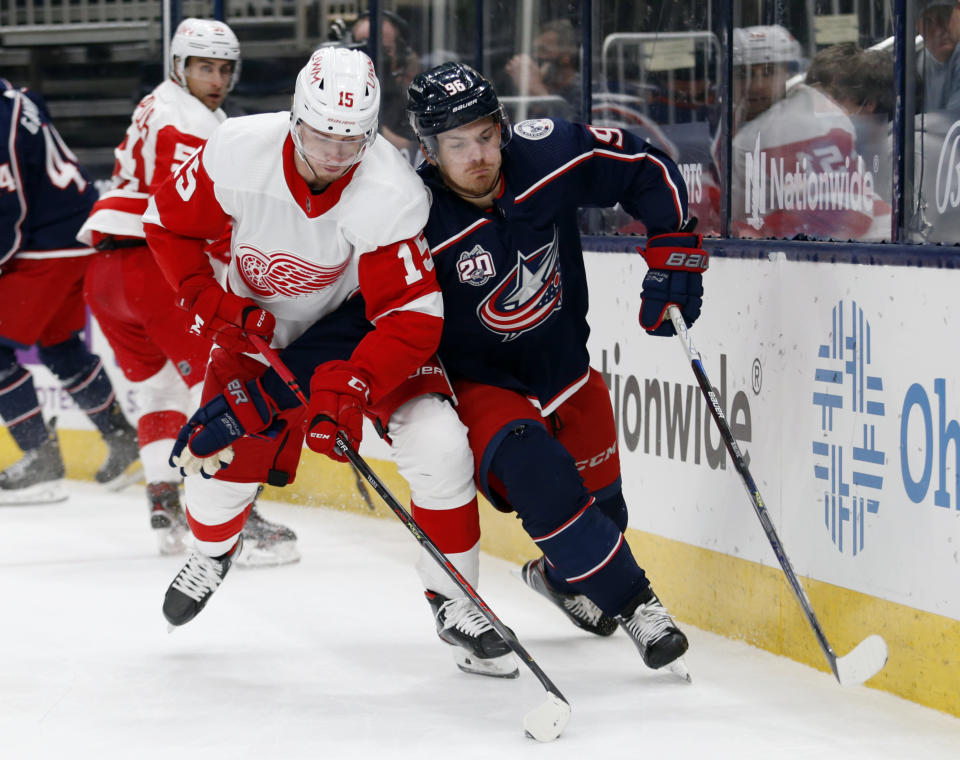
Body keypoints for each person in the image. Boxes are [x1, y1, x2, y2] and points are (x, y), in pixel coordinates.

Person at [143, 47, 516, 678]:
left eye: (352, 143)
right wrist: (210, 301)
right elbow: (166, 224)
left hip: (362, 340)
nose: (334, 157)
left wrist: (354, 383)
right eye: (322, 137)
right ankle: (213, 551)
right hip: (256, 334)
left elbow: (412, 317)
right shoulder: (236, 149)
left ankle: (457, 602)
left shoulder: (390, 191)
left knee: (440, 444)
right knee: (217, 476)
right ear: (295, 118)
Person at [406, 62, 698, 675]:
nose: (477, 155)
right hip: (482, 383)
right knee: (540, 475)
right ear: (429, 151)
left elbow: (647, 169)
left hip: (565, 368)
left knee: (603, 517)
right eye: (456, 144)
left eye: (485, 135)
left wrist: (674, 251)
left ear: (502, 126)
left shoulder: (548, 154)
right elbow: (369, 312)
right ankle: (638, 605)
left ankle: (562, 580)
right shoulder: (411, 217)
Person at [77, 18, 299, 564]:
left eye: (225, 68)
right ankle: (234, 518)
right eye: (205, 67)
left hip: (105, 275)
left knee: (160, 394)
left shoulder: (158, 103)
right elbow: (187, 213)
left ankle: (164, 503)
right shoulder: (192, 124)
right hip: (150, 268)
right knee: (221, 384)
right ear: (180, 66)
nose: (217, 78)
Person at [0, 77, 140, 505]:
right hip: (76, 232)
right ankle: (122, 439)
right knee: (59, 345)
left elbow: (11, 207)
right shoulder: (15, 97)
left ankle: (40, 458)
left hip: (47, 245)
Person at [731, 43, 893, 241]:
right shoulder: (757, 137)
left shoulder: (868, 147)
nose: (823, 107)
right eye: (815, 98)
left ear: (868, 104)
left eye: (833, 98)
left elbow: (841, 217)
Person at [349, 9, 422, 163]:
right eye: (362, 48)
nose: (372, 59)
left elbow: (412, 150)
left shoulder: (409, 100)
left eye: (385, 51)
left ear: (400, 57)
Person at [731, 25, 804, 133]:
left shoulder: (807, 128)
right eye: (743, 75)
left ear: (789, 75)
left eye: (769, 72)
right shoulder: (715, 129)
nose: (756, 87)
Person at [503, 19, 581, 120]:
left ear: (566, 56)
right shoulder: (546, 88)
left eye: (543, 50)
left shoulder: (587, 91)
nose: (536, 57)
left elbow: (576, 131)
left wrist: (540, 94)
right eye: (534, 51)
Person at [917, 0, 960, 112]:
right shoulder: (920, 60)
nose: (938, 31)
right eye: (928, 21)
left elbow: (954, 120)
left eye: (945, 15)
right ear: (918, 27)